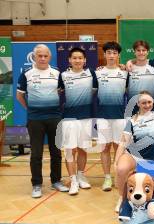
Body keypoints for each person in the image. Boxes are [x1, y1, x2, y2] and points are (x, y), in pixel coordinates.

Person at [16, 44, 69, 198]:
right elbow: (20, 96)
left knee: (56, 152)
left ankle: (56, 181)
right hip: (35, 120)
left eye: (46, 55)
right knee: (36, 153)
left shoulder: (57, 73)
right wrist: (30, 109)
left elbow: (61, 91)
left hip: (54, 118)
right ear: (34, 56)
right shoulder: (27, 74)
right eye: (40, 55)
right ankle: (37, 184)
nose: (43, 58)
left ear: (50, 57)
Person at [114, 91, 154, 212]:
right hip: (134, 155)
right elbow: (123, 142)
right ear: (138, 104)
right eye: (144, 102)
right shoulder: (132, 120)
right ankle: (122, 198)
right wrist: (116, 161)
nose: (147, 105)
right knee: (121, 168)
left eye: (149, 102)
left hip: (152, 157)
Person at [58, 47, 97, 195]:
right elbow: (57, 92)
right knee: (70, 150)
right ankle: (73, 180)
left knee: (82, 149)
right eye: (74, 58)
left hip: (86, 117)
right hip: (69, 118)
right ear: (69, 60)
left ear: (85, 60)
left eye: (80, 58)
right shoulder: (63, 76)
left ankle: (81, 175)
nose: (77, 60)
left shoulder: (91, 73)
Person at [95, 41, 129, 191]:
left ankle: (118, 176)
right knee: (104, 148)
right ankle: (107, 178)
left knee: (119, 148)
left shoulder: (125, 73)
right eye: (109, 52)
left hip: (120, 116)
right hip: (103, 116)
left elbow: (129, 91)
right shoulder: (98, 72)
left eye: (114, 53)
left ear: (118, 55)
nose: (111, 55)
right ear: (104, 55)